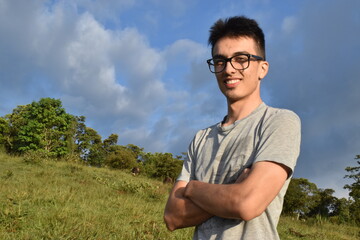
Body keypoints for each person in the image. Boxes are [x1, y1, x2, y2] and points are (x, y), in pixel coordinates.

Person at [163, 16, 301, 240]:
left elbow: (247, 204)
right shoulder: (201, 138)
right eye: (220, 61)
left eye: (241, 59)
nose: (229, 69)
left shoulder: (279, 121)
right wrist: (234, 189)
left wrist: (192, 189)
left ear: (262, 68)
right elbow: (172, 217)